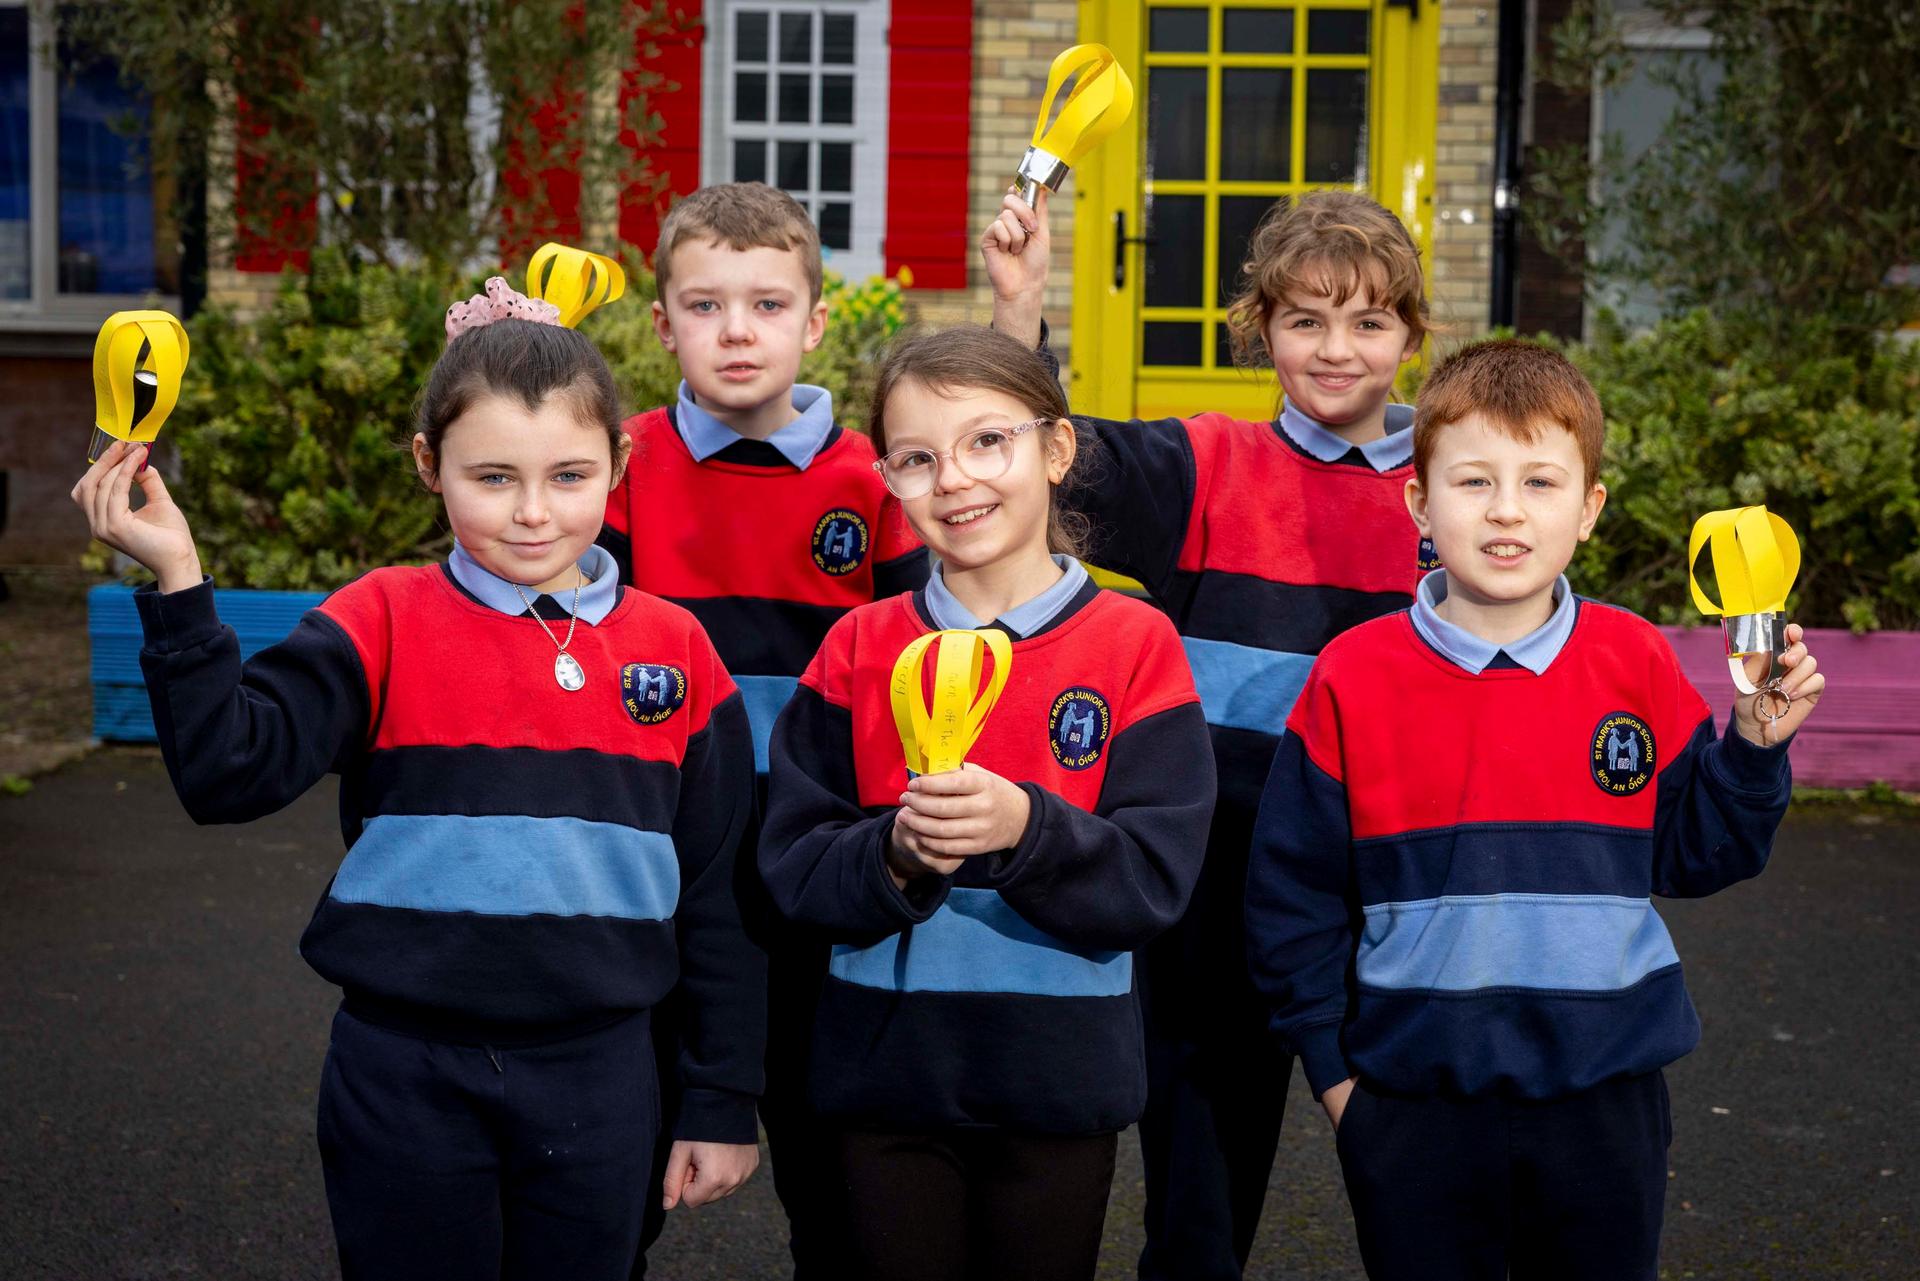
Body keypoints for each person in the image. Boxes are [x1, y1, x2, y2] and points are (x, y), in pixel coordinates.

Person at [71, 282, 765, 1281]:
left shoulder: (678, 651)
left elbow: (719, 899)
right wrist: (179, 581)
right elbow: (230, 771)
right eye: (493, 477)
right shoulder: (381, 619)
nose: (534, 512)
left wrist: (719, 1099)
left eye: (570, 475)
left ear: (618, 465)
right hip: (403, 1074)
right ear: (428, 467)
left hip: (606, 1073)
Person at [1245, 338, 1825, 1281]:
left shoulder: (1633, 660)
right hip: (1410, 1104)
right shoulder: (1352, 675)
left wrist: (1753, 749)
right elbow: (1291, 898)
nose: (1507, 510)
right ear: (1420, 502)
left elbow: (1692, 854)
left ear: (1589, 509)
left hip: (1606, 1102)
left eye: (1541, 482)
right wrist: (1338, 1080)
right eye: (1473, 480)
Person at [983, 186, 1433, 1278]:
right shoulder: (1204, 463)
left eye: (1369, 321)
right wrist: (1022, 305)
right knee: (1198, 1204)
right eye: (1306, 320)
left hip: (1398, 878)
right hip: (1215, 884)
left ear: (1413, 335)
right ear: (1260, 328)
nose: (1337, 349)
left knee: (1424, 1187)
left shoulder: (1455, 480)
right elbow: (1035, 450)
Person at [759, 325, 1216, 1281]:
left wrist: (1026, 829)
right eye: (917, 458)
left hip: (1060, 1078)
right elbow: (794, 868)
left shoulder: (1137, 644)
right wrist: (896, 855)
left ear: (1056, 451)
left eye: (987, 442)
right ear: (887, 477)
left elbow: (1154, 882)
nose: (955, 480)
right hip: (885, 1075)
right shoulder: (855, 649)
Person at [597, 182, 928, 1278]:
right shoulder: (623, 462)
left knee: (835, 1183)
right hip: (660, 855)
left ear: (817, 321)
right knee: (615, 1169)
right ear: (662, 325)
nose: (737, 331)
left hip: (817, 853)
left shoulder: (873, 477)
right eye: (705, 305)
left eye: (768, 304)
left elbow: (922, 658)